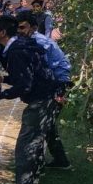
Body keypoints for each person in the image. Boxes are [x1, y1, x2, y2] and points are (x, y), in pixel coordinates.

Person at [0, 15, 56, 184]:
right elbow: (25, 77)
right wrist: (2, 79)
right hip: (45, 97)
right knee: (34, 144)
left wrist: (1, 95)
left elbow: (25, 85)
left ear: (3, 32)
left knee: (26, 145)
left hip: (41, 101)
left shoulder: (16, 51)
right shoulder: (20, 46)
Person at [15, 11, 72, 170]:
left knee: (42, 124)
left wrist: (57, 92)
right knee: (48, 124)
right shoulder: (31, 40)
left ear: (33, 28)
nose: (19, 31)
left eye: (22, 28)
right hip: (55, 81)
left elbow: (44, 69)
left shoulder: (39, 42)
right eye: (17, 28)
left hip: (58, 82)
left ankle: (38, 163)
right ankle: (61, 161)